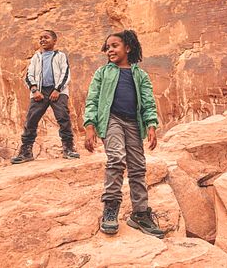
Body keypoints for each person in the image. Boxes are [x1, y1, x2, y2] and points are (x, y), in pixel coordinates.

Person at [83, 29, 164, 238]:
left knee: (138, 166)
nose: (110, 50)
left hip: (134, 125)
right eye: (107, 47)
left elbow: (147, 102)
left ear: (127, 48)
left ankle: (140, 214)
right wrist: (90, 125)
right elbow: (92, 99)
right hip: (112, 120)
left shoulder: (140, 75)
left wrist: (151, 125)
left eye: (114, 46)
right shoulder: (102, 73)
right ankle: (110, 208)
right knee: (117, 159)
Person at [11, 30, 80, 163]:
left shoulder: (60, 56)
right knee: (31, 120)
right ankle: (26, 152)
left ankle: (69, 149)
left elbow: (65, 73)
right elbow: (29, 75)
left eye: (46, 37)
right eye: (40, 38)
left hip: (58, 92)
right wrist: (34, 90)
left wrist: (57, 89)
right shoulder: (36, 57)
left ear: (54, 41)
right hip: (39, 93)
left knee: (63, 118)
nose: (42, 40)